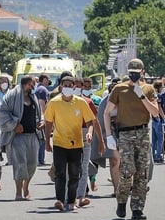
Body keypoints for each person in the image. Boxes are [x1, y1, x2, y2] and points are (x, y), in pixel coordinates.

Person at [104, 58, 159, 220]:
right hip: (125, 134)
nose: (134, 75)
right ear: (128, 72)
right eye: (132, 73)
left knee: (142, 173)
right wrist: (108, 135)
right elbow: (107, 112)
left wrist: (142, 96)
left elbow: (155, 112)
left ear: (143, 71)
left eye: (137, 73)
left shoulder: (148, 89)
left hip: (142, 133)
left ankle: (137, 208)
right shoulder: (119, 89)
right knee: (127, 171)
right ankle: (121, 201)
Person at [44, 76, 105, 212]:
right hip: (59, 142)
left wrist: (90, 133)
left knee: (74, 174)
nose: (67, 87)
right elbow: (48, 123)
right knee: (60, 173)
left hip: (76, 144)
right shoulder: (54, 103)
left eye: (70, 85)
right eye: (64, 85)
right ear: (60, 86)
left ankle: (72, 201)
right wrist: (47, 141)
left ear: (74, 87)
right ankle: (59, 200)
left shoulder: (81, 102)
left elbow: (90, 121)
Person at [0, 75, 44, 200]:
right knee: (20, 164)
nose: (35, 85)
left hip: (33, 135)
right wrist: (14, 125)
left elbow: (39, 113)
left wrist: (41, 122)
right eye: (34, 83)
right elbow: (2, 113)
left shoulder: (33, 97)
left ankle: (26, 186)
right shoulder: (12, 96)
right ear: (28, 83)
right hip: (17, 136)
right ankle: (18, 192)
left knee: (33, 164)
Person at [75, 77, 104, 206]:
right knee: (68, 168)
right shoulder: (59, 102)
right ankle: (68, 195)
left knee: (84, 166)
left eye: (76, 86)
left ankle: (80, 196)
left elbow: (94, 121)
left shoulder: (87, 102)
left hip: (84, 134)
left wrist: (101, 140)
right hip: (65, 136)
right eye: (71, 86)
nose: (73, 88)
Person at [91, 80, 121, 196]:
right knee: (114, 161)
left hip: (124, 134)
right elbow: (101, 121)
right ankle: (116, 189)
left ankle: (127, 186)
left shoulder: (125, 101)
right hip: (109, 134)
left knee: (124, 162)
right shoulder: (104, 103)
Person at [35, 73, 52, 165]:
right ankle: (40, 159)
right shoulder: (42, 90)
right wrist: (44, 118)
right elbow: (42, 104)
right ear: (44, 79)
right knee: (42, 139)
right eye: (48, 79)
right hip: (42, 117)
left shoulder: (39, 89)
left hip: (39, 117)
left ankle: (39, 159)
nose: (49, 81)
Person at [152, 79, 165, 163]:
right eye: (162, 86)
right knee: (160, 139)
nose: (163, 88)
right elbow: (159, 108)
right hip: (159, 120)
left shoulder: (153, 95)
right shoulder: (159, 96)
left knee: (154, 139)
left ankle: (153, 155)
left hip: (153, 119)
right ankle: (158, 156)